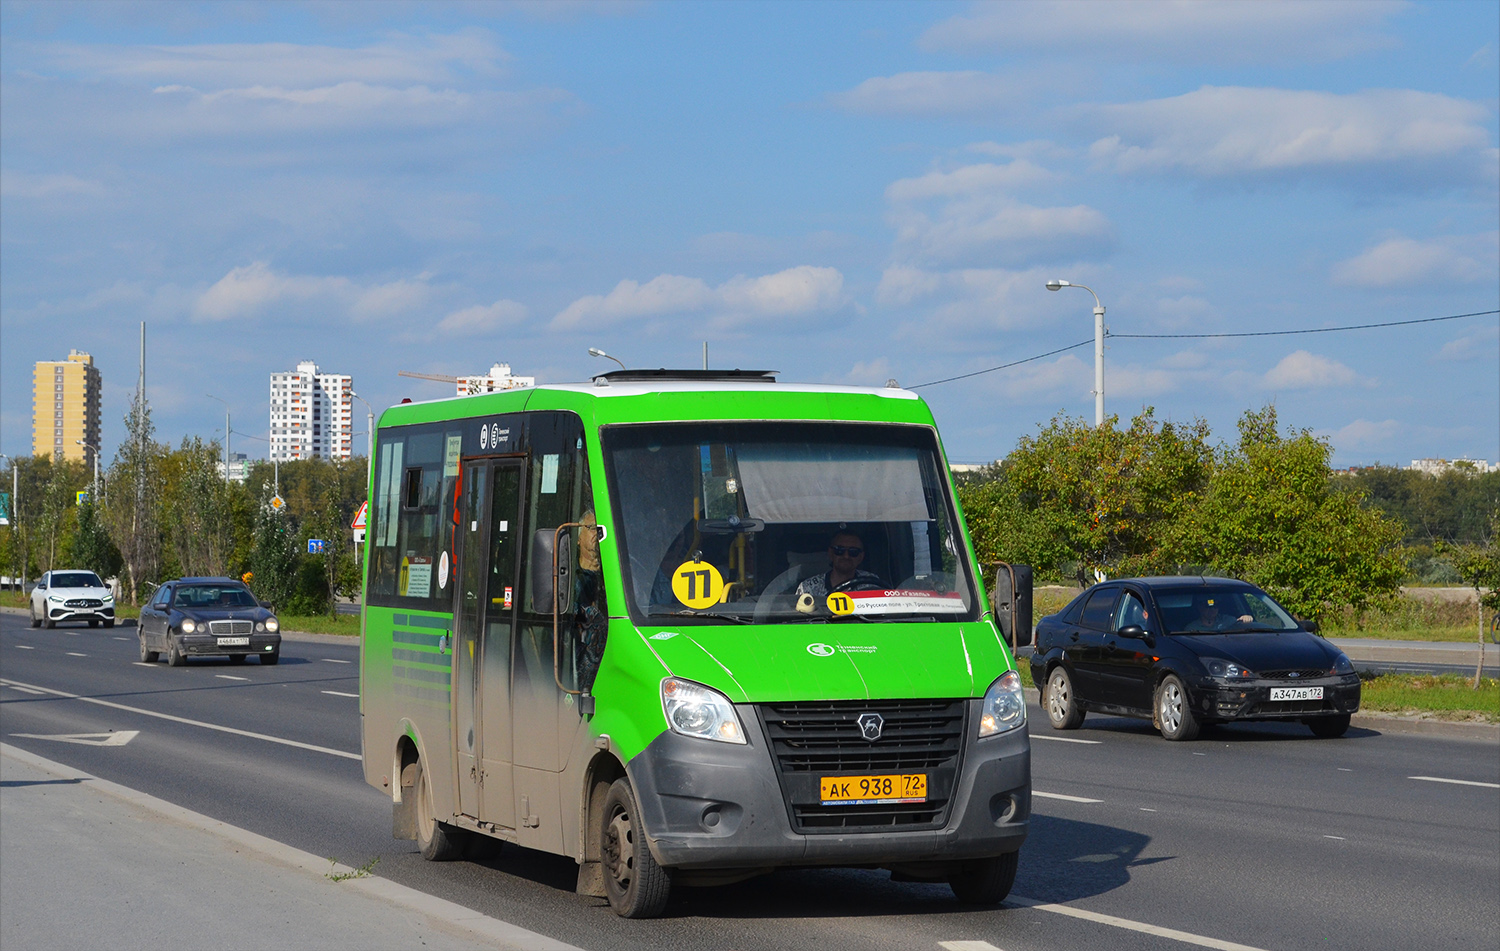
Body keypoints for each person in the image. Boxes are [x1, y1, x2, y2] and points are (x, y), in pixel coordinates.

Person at [796, 530, 883, 600]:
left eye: (853, 552)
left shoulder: (873, 584)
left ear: (861, 557)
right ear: (830, 553)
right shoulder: (808, 588)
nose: (846, 556)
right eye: (839, 550)